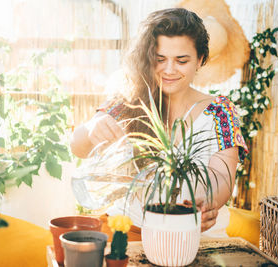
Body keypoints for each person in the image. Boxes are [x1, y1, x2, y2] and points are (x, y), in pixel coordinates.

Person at [70, 8, 248, 235]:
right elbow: (78, 146)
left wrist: (206, 202)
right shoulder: (129, 100)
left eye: (181, 61)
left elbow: (223, 175)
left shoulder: (220, 111)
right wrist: (92, 128)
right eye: (159, 59)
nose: (169, 70)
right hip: (129, 228)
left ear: (199, 60)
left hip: (196, 234)